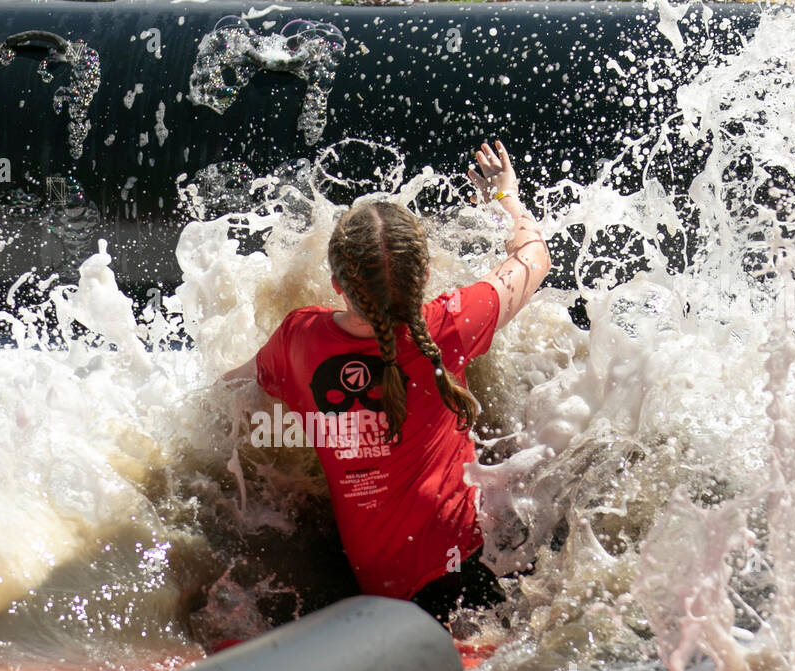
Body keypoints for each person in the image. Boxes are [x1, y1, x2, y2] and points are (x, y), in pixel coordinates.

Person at [224, 140, 551, 626]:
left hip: (381, 592)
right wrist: (506, 200)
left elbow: (230, 389)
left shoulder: (298, 339)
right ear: (424, 276)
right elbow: (535, 255)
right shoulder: (451, 324)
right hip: (469, 569)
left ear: (337, 284)